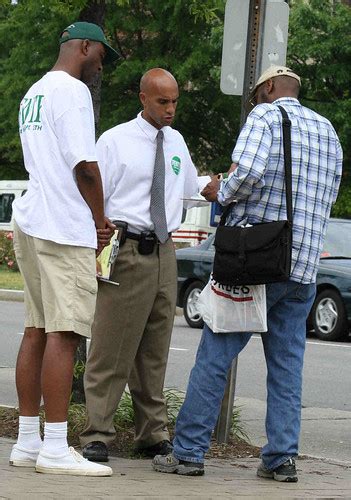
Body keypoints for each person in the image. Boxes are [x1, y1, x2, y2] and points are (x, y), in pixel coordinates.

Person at [152, 65, 343, 481]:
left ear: (269, 88)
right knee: (288, 366)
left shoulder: (266, 116)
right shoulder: (328, 130)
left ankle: (187, 452)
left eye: (257, 94)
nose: (255, 102)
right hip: (304, 268)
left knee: (215, 354)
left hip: (254, 263)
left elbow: (249, 173)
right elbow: (329, 191)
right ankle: (280, 459)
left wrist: (224, 189)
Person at [80, 68, 210, 462]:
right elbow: (94, 192)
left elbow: (191, 188)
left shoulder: (176, 141)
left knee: (155, 349)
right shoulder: (116, 141)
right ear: (143, 98)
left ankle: (151, 433)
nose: (170, 109)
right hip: (128, 248)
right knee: (111, 345)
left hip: (165, 250)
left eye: (174, 102)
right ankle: (97, 433)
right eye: (162, 102)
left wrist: (219, 184)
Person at [10, 21, 119, 476]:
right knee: (64, 333)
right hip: (63, 224)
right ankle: (56, 446)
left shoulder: (32, 92)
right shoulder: (72, 93)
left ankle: (28, 441)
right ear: (84, 47)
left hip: (33, 219)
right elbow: (85, 167)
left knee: (36, 329)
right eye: (100, 57)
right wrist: (99, 219)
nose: (101, 66)